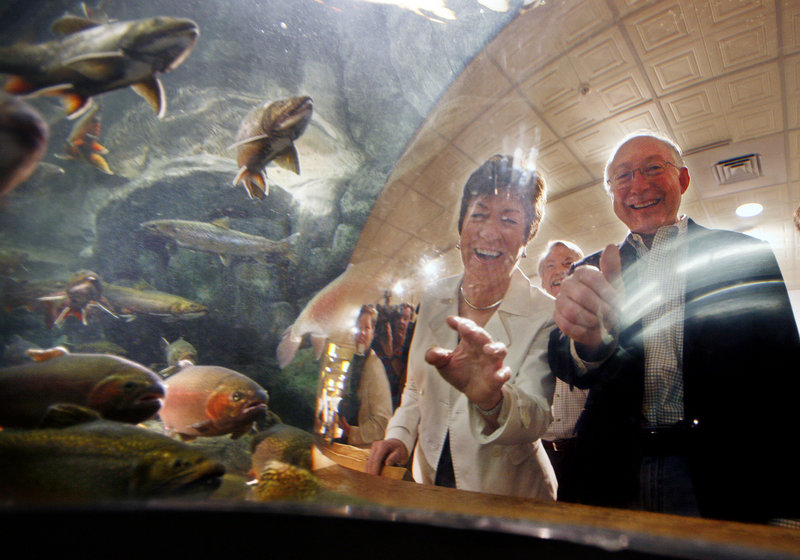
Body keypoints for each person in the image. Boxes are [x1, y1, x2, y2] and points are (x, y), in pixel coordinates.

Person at [548, 133, 800, 522]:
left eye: (653, 169)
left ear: (682, 180)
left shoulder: (744, 255)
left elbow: (784, 375)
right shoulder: (592, 269)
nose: (639, 185)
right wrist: (588, 345)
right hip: (613, 472)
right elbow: (566, 363)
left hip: (723, 473)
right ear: (612, 192)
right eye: (623, 176)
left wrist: (787, 501)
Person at [366, 154, 557, 500]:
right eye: (479, 214)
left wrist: (493, 401)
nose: (489, 232)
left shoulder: (545, 311)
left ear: (528, 236)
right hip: (429, 480)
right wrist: (399, 436)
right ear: (461, 226)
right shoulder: (436, 296)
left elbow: (539, 416)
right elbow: (414, 389)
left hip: (508, 495)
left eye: (509, 220)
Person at [537, 240, 588, 503]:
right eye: (550, 265)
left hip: (586, 454)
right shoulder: (527, 325)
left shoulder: (597, 322)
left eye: (568, 263)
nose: (558, 271)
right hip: (536, 455)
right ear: (541, 278)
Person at [337, 304, 393, 447]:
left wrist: (352, 432)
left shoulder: (375, 367)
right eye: (358, 327)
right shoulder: (355, 363)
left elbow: (382, 424)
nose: (362, 333)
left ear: (373, 333)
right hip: (350, 448)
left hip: (364, 454)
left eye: (366, 328)